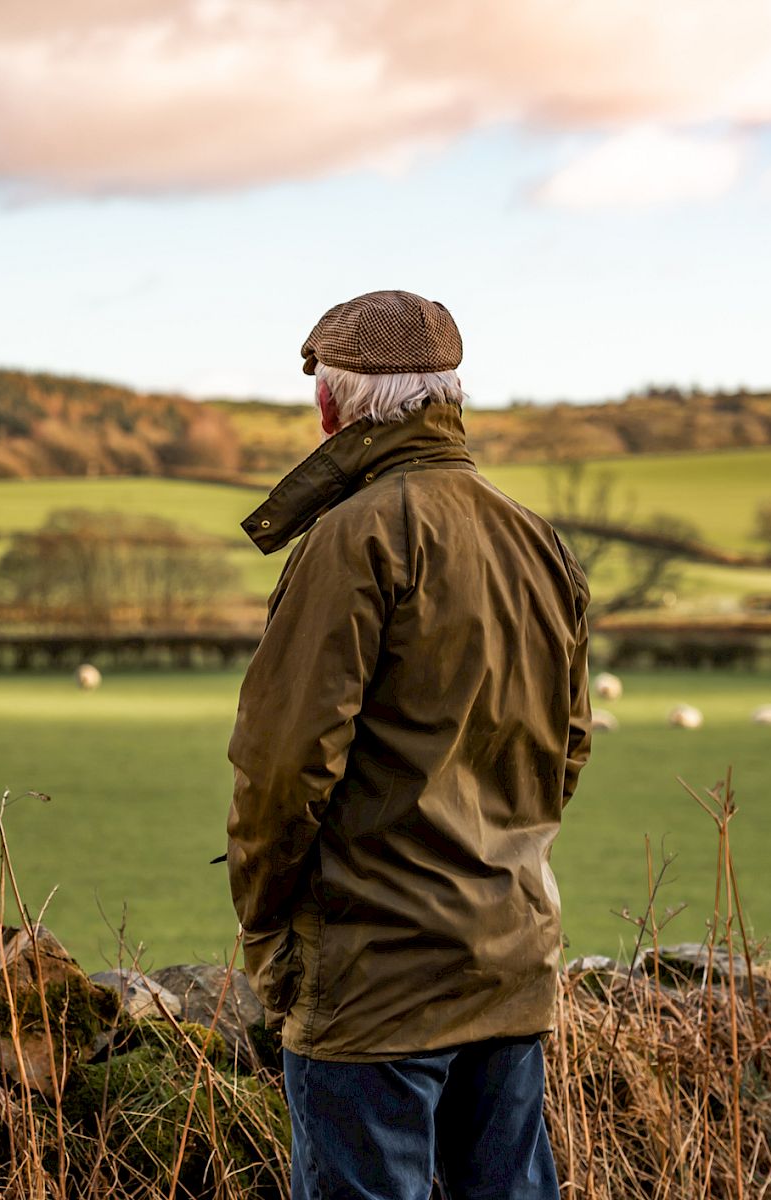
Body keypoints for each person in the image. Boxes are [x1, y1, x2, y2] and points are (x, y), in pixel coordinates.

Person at [226, 290, 592, 1200]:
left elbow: (283, 773)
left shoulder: (352, 539)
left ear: (330, 407)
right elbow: (566, 748)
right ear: (448, 397)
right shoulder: (535, 540)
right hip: (508, 963)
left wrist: (270, 926)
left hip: (373, 983)